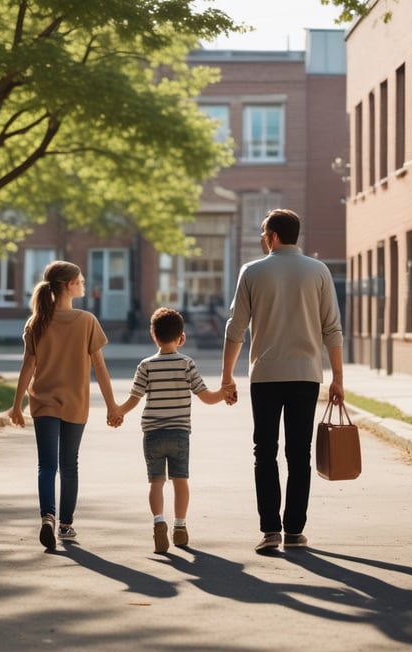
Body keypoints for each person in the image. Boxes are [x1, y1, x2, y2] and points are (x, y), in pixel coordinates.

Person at [221, 209, 344, 553]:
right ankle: (294, 530)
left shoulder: (252, 272)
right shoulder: (319, 271)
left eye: (264, 234)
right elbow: (332, 328)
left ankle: (270, 530)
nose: (263, 239)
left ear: (272, 236)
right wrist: (337, 378)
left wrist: (227, 376)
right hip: (306, 375)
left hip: (266, 375)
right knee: (299, 453)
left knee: (265, 451)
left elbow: (236, 328)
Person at [9, 261, 120, 550]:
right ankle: (66, 526)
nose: (83, 283)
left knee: (46, 466)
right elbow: (100, 368)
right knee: (69, 465)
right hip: (75, 404)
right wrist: (112, 406)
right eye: (80, 280)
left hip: (43, 402)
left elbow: (28, 366)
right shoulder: (86, 321)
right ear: (68, 285)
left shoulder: (36, 321)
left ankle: (48, 516)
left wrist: (16, 405)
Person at [113, 307, 230, 553]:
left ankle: (158, 522)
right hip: (179, 433)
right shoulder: (187, 364)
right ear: (182, 337)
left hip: (153, 434)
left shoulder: (146, 365)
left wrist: (118, 412)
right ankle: (180, 526)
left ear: (153, 336)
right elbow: (206, 397)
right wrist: (224, 394)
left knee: (155, 483)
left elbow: (134, 399)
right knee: (180, 481)